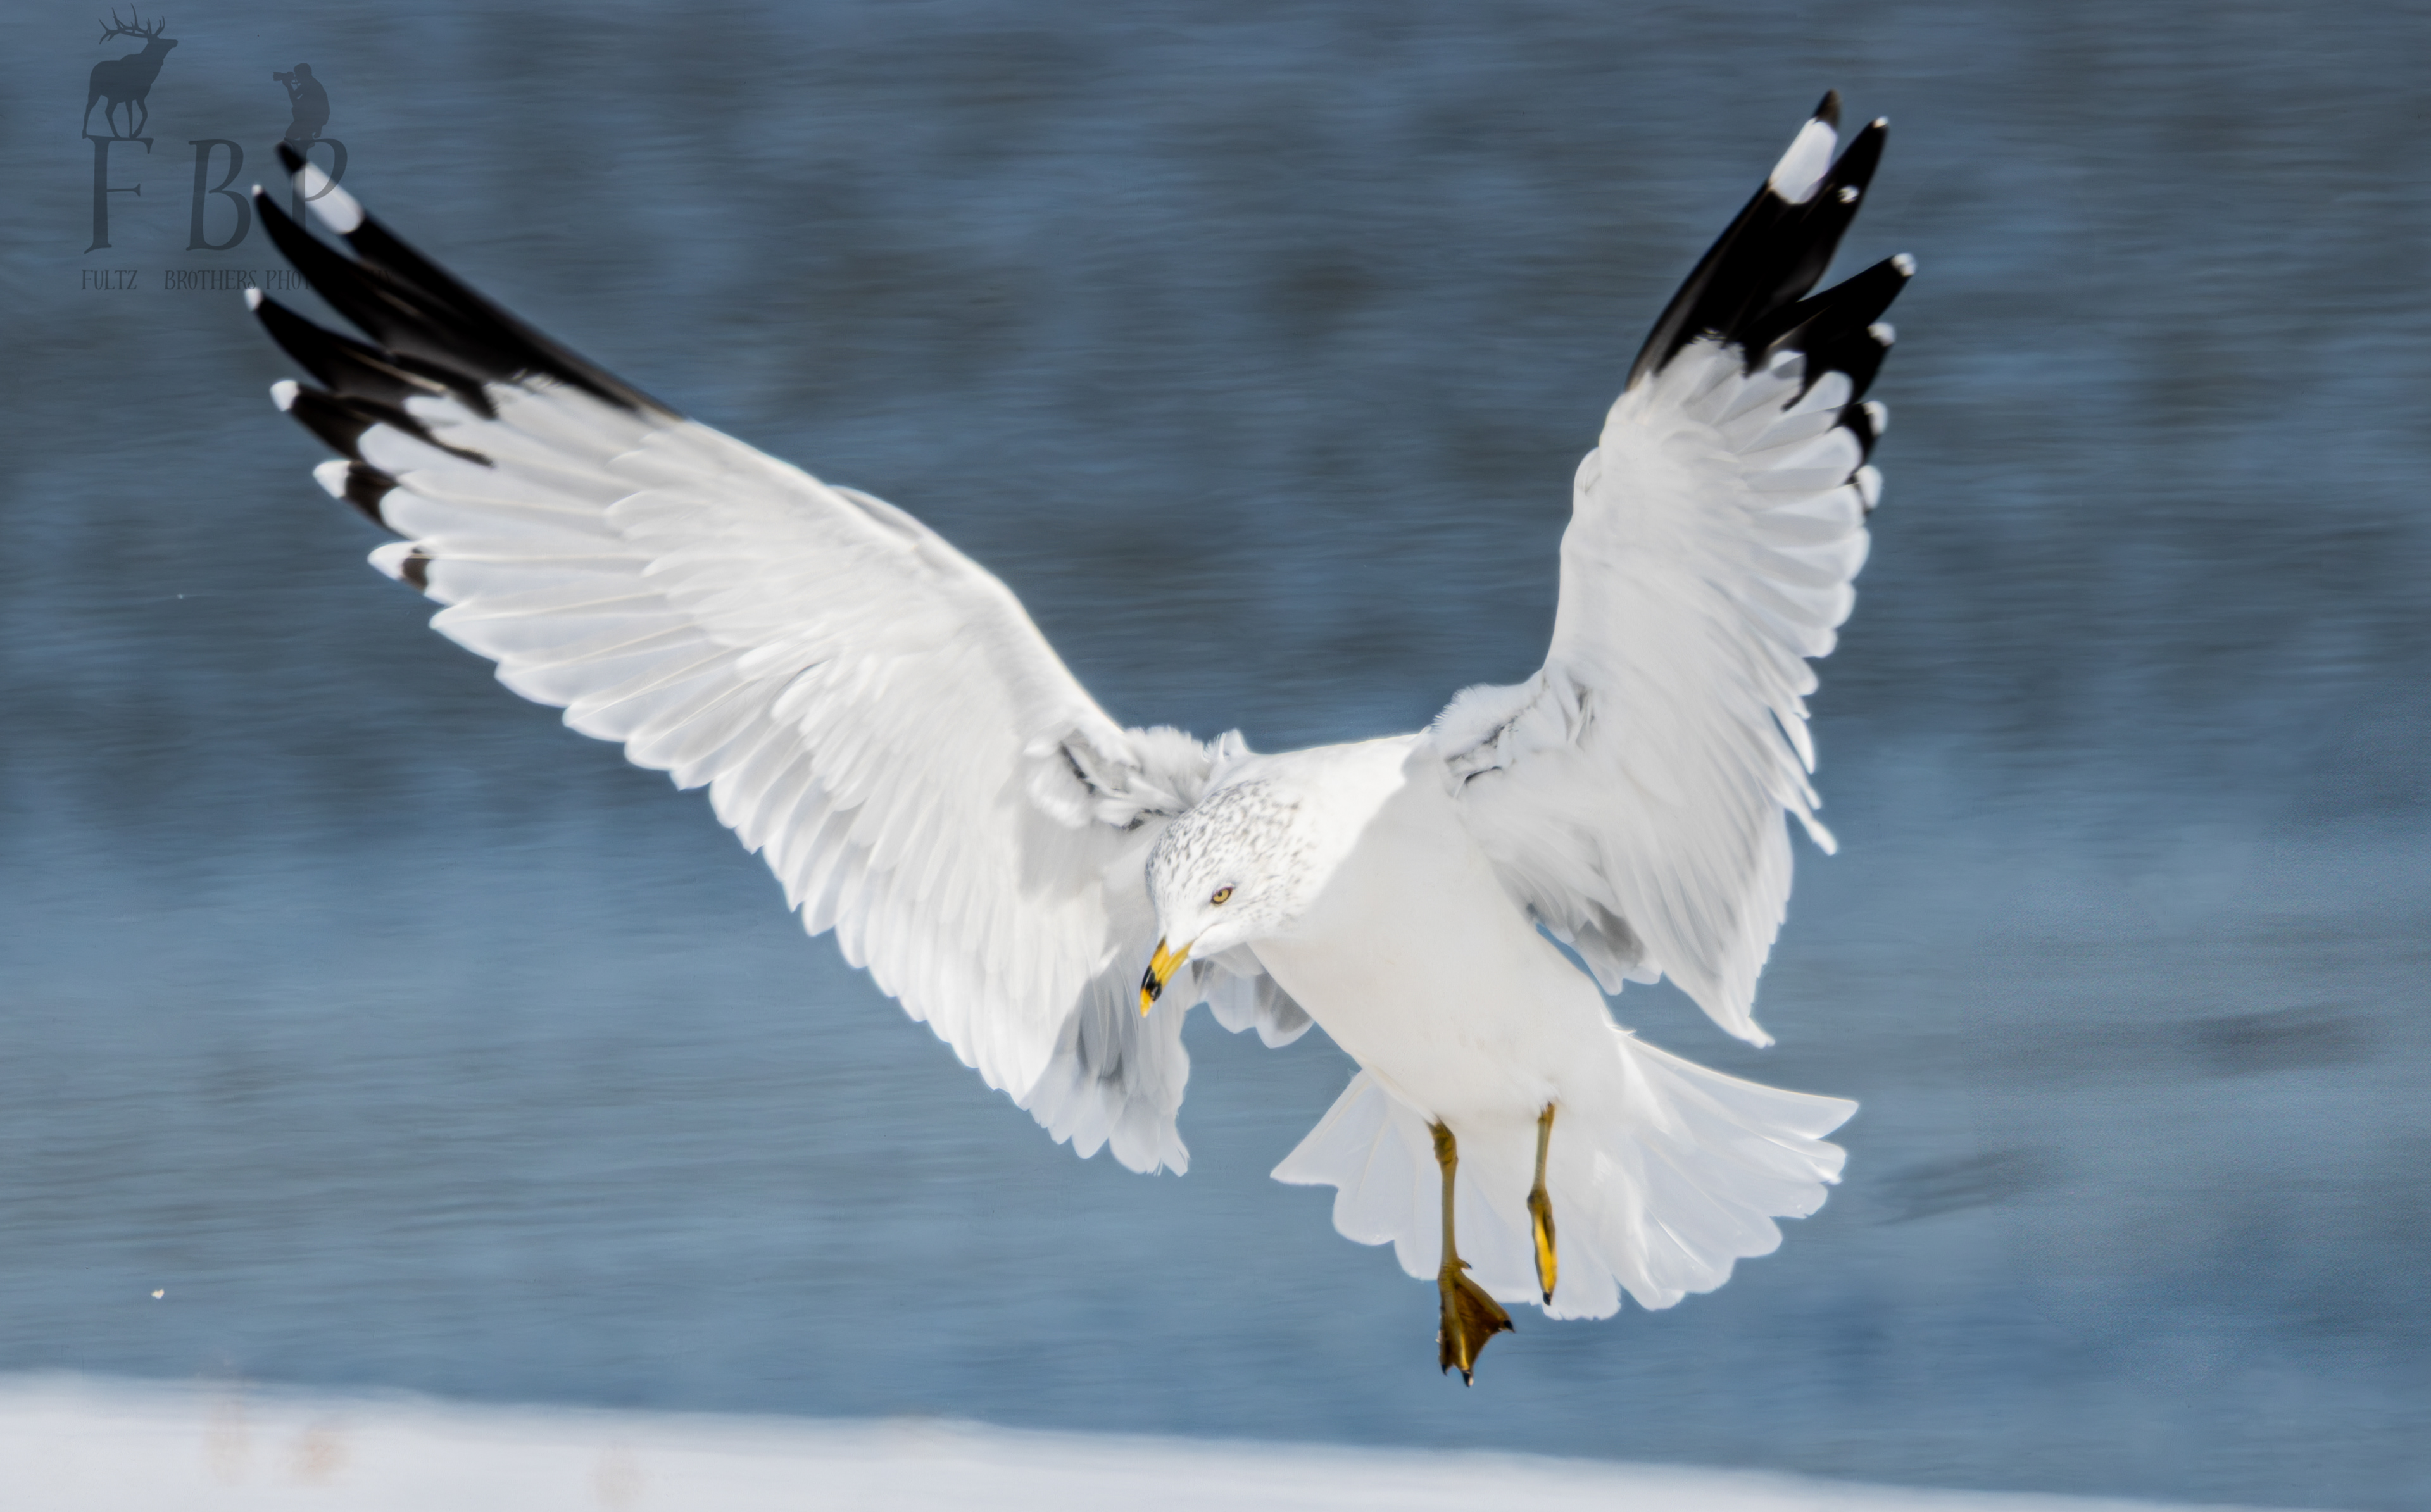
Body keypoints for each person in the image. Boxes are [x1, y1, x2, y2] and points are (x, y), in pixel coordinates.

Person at [280, 63, 329, 143]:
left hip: (314, 118)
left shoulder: (311, 85)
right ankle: (309, 136)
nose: (296, 76)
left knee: (291, 133)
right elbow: (295, 96)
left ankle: (308, 137)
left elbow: (296, 104)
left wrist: (289, 86)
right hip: (316, 116)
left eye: (297, 74)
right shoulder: (311, 83)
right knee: (291, 133)